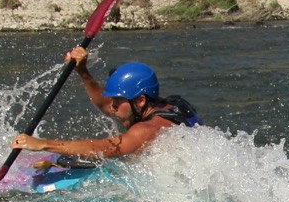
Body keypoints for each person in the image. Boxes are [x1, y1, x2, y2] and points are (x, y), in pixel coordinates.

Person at [11, 47, 201, 161]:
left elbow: (104, 148)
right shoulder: (164, 104)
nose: (112, 107)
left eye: (117, 101)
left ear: (140, 100)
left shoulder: (148, 130)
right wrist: (83, 71)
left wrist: (43, 144)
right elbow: (105, 104)